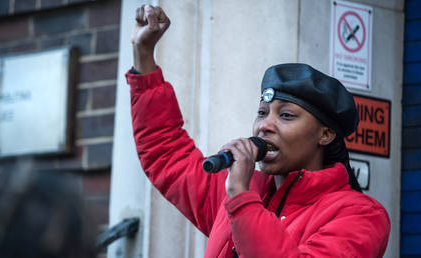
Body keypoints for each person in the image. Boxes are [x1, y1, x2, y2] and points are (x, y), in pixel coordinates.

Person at [126, 5, 390, 257]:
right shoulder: (242, 190)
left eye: (286, 115)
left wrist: (241, 198)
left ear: (325, 134)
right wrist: (143, 53)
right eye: (262, 112)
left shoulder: (360, 215)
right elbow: (168, 153)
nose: (264, 125)